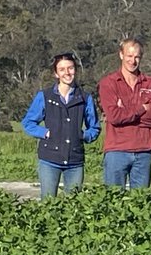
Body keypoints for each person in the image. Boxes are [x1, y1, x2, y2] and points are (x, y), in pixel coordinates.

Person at [21, 53, 101, 198]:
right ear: (56, 73)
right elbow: (28, 123)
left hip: (75, 161)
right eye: (62, 69)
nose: (67, 72)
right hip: (49, 159)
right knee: (48, 202)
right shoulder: (44, 96)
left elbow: (94, 128)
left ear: (75, 69)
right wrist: (45, 133)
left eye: (70, 68)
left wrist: (83, 135)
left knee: (74, 204)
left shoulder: (85, 98)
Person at [98, 38, 151, 189]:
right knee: (114, 198)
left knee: (141, 200)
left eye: (137, 57)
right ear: (121, 55)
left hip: (144, 151)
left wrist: (125, 111)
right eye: (129, 56)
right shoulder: (108, 83)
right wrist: (142, 108)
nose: (133, 61)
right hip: (116, 151)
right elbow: (114, 117)